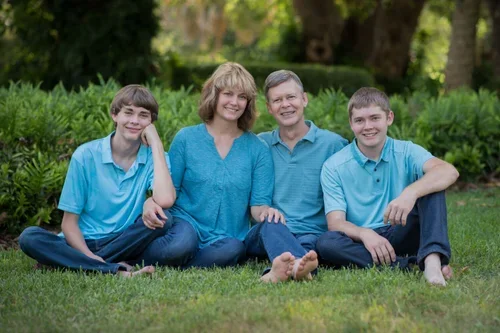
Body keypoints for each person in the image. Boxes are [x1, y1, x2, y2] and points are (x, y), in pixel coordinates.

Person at [19, 85, 196, 277]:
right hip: (82, 241)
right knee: (30, 237)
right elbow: (69, 225)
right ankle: (114, 270)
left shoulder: (156, 157)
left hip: (124, 241)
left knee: (164, 218)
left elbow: (165, 200)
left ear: (151, 122)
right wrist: (90, 257)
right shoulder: (85, 156)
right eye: (128, 113)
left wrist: (157, 144)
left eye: (143, 115)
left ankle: (64, 262)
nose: (135, 121)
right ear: (114, 115)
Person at [142, 62, 291, 272]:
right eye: (228, 94)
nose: (235, 102)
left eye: (242, 97)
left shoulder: (258, 149)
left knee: (233, 250)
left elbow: (258, 206)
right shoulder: (186, 138)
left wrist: (268, 213)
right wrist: (149, 201)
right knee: (181, 244)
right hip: (185, 224)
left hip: (226, 237)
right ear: (214, 96)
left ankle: (184, 265)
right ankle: (166, 256)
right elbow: (169, 190)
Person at [317, 87, 459, 286]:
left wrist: (410, 192)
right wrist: (365, 234)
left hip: (401, 229)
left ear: (389, 118)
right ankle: (408, 263)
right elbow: (336, 223)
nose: (368, 126)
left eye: (375, 118)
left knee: (433, 186)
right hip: (363, 242)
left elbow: (449, 171)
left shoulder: (406, 151)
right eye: (359, 120)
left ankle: (433, 262)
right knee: (326, 243)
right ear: (351, 123)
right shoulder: (334, 166)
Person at [244, 70, 348, 282]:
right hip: (267, 232)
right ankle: (300, 266)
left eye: (291, 97)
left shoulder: (334, 145)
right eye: (277, 100)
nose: (285, 104)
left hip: (311, 233)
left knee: (311, 244)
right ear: (269, 108)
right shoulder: (259, 144)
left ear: (304, 99)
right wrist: (266, 212)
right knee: (272, 225)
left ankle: (281, 271)